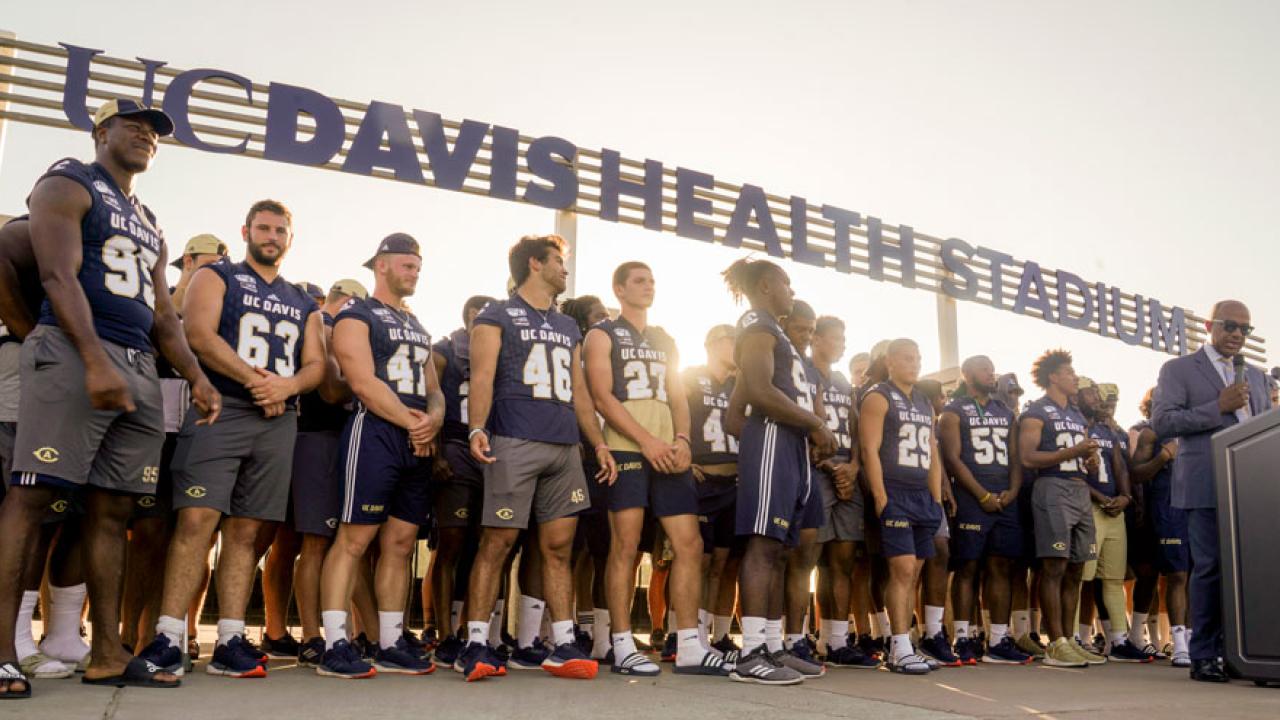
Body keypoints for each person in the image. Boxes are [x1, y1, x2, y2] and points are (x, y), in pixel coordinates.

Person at [1, 99, 220, 698]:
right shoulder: (69, 180)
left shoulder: (147, 217)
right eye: (135, 126)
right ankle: (1, 654)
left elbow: (165, 316)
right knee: (32, 496)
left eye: (155, 133)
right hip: (76, 351)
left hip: (138, 363)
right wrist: (93, 357)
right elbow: (56, 276)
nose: (147, 137)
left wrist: (196, 376)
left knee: (114, 510)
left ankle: (105, 652)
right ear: (101, 132)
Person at [137, 199, 323, 680]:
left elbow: (317, 365)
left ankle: (230, 638)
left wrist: (286, 386)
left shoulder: (304, 301)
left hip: (278, 417)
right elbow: (197, 333)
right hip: (222, 408)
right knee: (196, 521)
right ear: (246, 231)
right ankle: (169, 636)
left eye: (280, 230)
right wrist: (255, 380)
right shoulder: (217, 275)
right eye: (263, 227)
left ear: (291, 238)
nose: (272, 236)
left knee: (247, 532)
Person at [459, 234, 616, 682]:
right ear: (534, 265)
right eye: (558, 263)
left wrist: (598, 443)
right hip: (515, 438)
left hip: (564, 445)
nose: (565, 271)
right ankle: (475, 642)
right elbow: (483, 376)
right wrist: (477, 428)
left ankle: (562, 640)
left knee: (559, 547)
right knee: (498, 542)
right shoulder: (496, 314)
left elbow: (581, 391)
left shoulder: (568, 325)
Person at [314, 234, 442, 679]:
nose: (414, 274)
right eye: (407, 266)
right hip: (377, 434)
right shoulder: (358, 313)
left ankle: (389, 642)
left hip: (418, 440)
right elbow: (362, 381)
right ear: (382, 265)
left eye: (417, 267)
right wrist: (414, 424)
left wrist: (433, 422)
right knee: (354, 541)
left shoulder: (418, 324)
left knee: (402, 544)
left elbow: (434, 390)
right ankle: (335, 643)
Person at [585, 262, 720, 676]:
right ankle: (622, 644)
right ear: (619, 289)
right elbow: (602, 397)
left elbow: (678, 394)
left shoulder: (664, 338)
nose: (648, 286)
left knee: (690, 545)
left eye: (652, 281)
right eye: (639, 281)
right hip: (630, 449)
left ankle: (691, 644)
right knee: (625, 546)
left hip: (670, 453)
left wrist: (682, 441)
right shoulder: (601, 333)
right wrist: (647, 442)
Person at [720, 258, 835, 685]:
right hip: (773, 440)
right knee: (764, 546)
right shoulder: (758, 324)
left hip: (790, 447)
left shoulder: (779, 335)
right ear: (768, 285)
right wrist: (813, 424)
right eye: (787, 285)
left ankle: (771, 646)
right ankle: (750, 653)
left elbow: (736, 408)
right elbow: (757, 393)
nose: (792, 291)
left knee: (782, 551)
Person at [120, 233, 227, 663]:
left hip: (201, 428)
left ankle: (179, 629)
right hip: (153, 429)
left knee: (199, 536)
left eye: (221, 261)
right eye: (205, 260)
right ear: (185, 260)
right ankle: (129, 632)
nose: (213, 267)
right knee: (146, 534)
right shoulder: (156, 296)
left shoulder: (219, 303)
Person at [1152, 300, 1272, 683]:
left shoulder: (1257, 376)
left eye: (1244, 329)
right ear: (1209, 325)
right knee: (1210, 569)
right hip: (1204, 483)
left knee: (1252, 571)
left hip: (1249, 485)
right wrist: (1216, 407)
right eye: (1230, 325)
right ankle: (1204, 654)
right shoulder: (1179, 369)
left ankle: (1243, 652)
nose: (1237, 334)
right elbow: (1164, 421)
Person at [283, 279, 368, 668]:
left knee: (352, 542)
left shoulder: (353, 329)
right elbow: (333, 391)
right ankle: (311, 635)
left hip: (353, 439)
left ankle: (363, 632)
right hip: (318, 438)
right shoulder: (321, 324)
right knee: (315, 542)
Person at [938, 355, 1031, 665]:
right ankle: (962, 638)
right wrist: (980, 495)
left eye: (993, 369)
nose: (991, 374)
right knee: (968, 568)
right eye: (984, 369)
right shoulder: (953, 411)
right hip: (971, 499)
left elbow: (1016, 457)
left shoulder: (1005, 412)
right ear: (966, 374)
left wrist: (1014, 491)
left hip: (1005, 497)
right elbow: (952, 458)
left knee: (1001, 567)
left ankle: (999, 639)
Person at [859, 339, 943, 675]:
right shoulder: (879, 396)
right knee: (902, 570)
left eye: (918, 357)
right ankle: (899, 645)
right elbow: (870, 450)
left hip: (922, 496)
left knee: (915, 573)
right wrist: (881, 498)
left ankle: (904, 645)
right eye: (907, 358)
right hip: (895, 493)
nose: (915, 363)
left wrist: (936, 499)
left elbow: (933, 455)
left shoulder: (924, 401)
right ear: (890, 362)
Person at [1017, 349, 1099, 668]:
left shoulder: (1078, 415)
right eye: (1068, 372)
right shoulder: (1037, 411)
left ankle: (1069, 639)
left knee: (1077, 567)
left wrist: (1089, 460)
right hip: (1052, 487)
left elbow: (1083, 456)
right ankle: (1055, 643)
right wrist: (1072, 451)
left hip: (1079, 489)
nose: (1074, 376)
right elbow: (1027, 457)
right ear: (1053, 377)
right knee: (1054, 565)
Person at [428, 294, 496, 663]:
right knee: (450, 545)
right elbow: (431, 399)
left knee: (484, 546)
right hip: (455, 445)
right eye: (475, 314)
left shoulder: (501, 351)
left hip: (491, 452)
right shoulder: (446, 350)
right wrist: (436, 452)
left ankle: (474, 630)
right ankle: (443, 633)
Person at [809, 316, 877, 669]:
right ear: (815, 338)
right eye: (835, 337)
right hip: (815, 470)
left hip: (846, 473)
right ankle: (805, 639)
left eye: (844, 337)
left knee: (843, 560)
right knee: (810, 558)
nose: (841, 343)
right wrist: (824, 463)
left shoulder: (841, 382)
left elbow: (853, 427)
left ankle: (837, 640)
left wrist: (852, 466)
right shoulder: (803, 373)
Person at [1077, 378, 1148, 662]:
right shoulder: (1078, 426)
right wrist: (1101, 498)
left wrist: (1125, 497)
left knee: (1114, 578)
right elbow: (1074, 473)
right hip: (1091, 508)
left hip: (1114, 509)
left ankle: (1118, 640)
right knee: (1082, 577)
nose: (1098, 399)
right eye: (1091, 393)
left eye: (1098, 393)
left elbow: (1120, 466)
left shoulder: (1107, 429)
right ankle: (1074, 638)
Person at [684, 325, 743, 659]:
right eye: (730, 340)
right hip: (703, 479)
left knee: (725, 563)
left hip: (735, 482)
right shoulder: (691, 377)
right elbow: (674, 414)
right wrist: (683, 456)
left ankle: (718, 636)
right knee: (698, 560)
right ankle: (687, 633)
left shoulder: (741, 383)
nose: (736, 346)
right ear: (711, 344)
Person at [1129, 387, 1186, 665]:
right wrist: (1163, 457)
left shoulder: (1198, 429)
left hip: (1195, 507)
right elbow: (1136, 474)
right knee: (1173, 575)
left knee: (1200, 574)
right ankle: (1179, 645)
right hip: (1163, 511)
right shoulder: (1151, 433)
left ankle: (1199, 638)